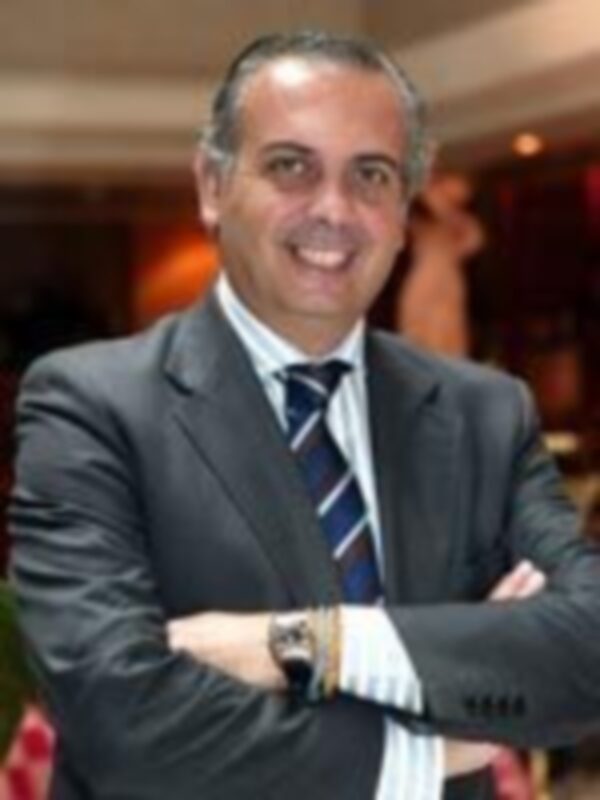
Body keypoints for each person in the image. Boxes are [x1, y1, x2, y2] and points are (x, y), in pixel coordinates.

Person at [8, 30, 600, 800]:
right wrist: (427, 752)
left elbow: (587, 650)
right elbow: (122, 721)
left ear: (402, 209)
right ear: (212, 185)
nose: (334, 209)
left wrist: (310, 645)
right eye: (291, 166)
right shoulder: (91, 406)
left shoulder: (484, 414)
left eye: (371, 175)